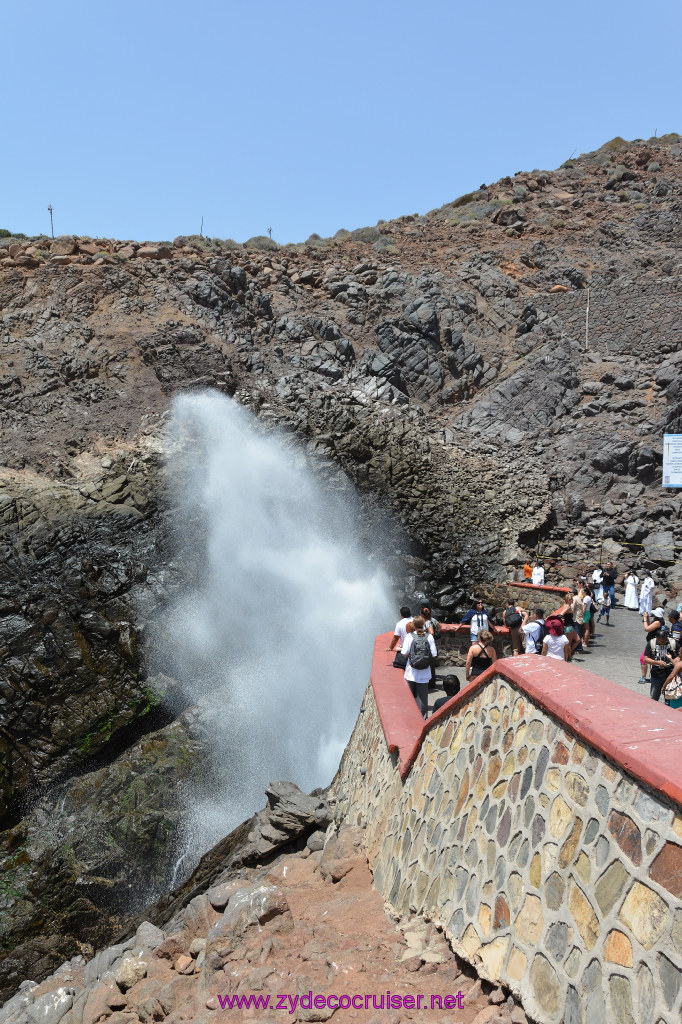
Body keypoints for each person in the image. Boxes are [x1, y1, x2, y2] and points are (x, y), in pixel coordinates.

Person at [401, 615, 437, 719]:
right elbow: (434, 654)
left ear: (413, 625)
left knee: (409, 699)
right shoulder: (429, 637)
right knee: (423, 702)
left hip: (410, 673)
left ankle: (409, 719)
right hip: (424, 674)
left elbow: (404, 653)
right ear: (423, 624)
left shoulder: (409, 636)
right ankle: (422, 721)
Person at [644, 629, 677, 702]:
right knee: (654, 698)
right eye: (660, 641)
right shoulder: (651, 643)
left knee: (669, 698)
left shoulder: (673, 643)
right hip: (656, 675)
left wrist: (672, 660)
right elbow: (646, 659)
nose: (663, 643)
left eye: (664, 641)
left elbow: (679, 656)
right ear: (656, 638)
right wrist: (657, 662)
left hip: (670, 675)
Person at [570, 588, 585, 653]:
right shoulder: (577, 598)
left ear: (572, 593)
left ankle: (579, 648)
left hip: (576, 619)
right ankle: (578, 648)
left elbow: (572, 608)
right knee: (578, 632)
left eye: (570, 592)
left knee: (577, 633)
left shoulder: (574, 598)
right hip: (579, 618)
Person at [581, 585, 593, 650]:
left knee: (586, 628)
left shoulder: (586, 598)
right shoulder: (589, 597)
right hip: (588, 613)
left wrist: (581, 615)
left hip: (585, 613)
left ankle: (585, 642)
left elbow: (584, 608)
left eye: (582, 592)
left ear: (585, 592)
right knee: (586, 628)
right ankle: (585, 641)